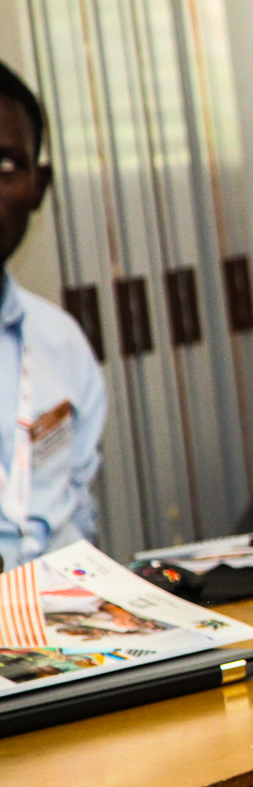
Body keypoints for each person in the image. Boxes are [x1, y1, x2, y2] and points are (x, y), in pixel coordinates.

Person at [0, 61, 104, 568]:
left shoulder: (59, 343)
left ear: (39, 185)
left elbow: (77, 513)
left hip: (56, 623)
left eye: (5, 167)